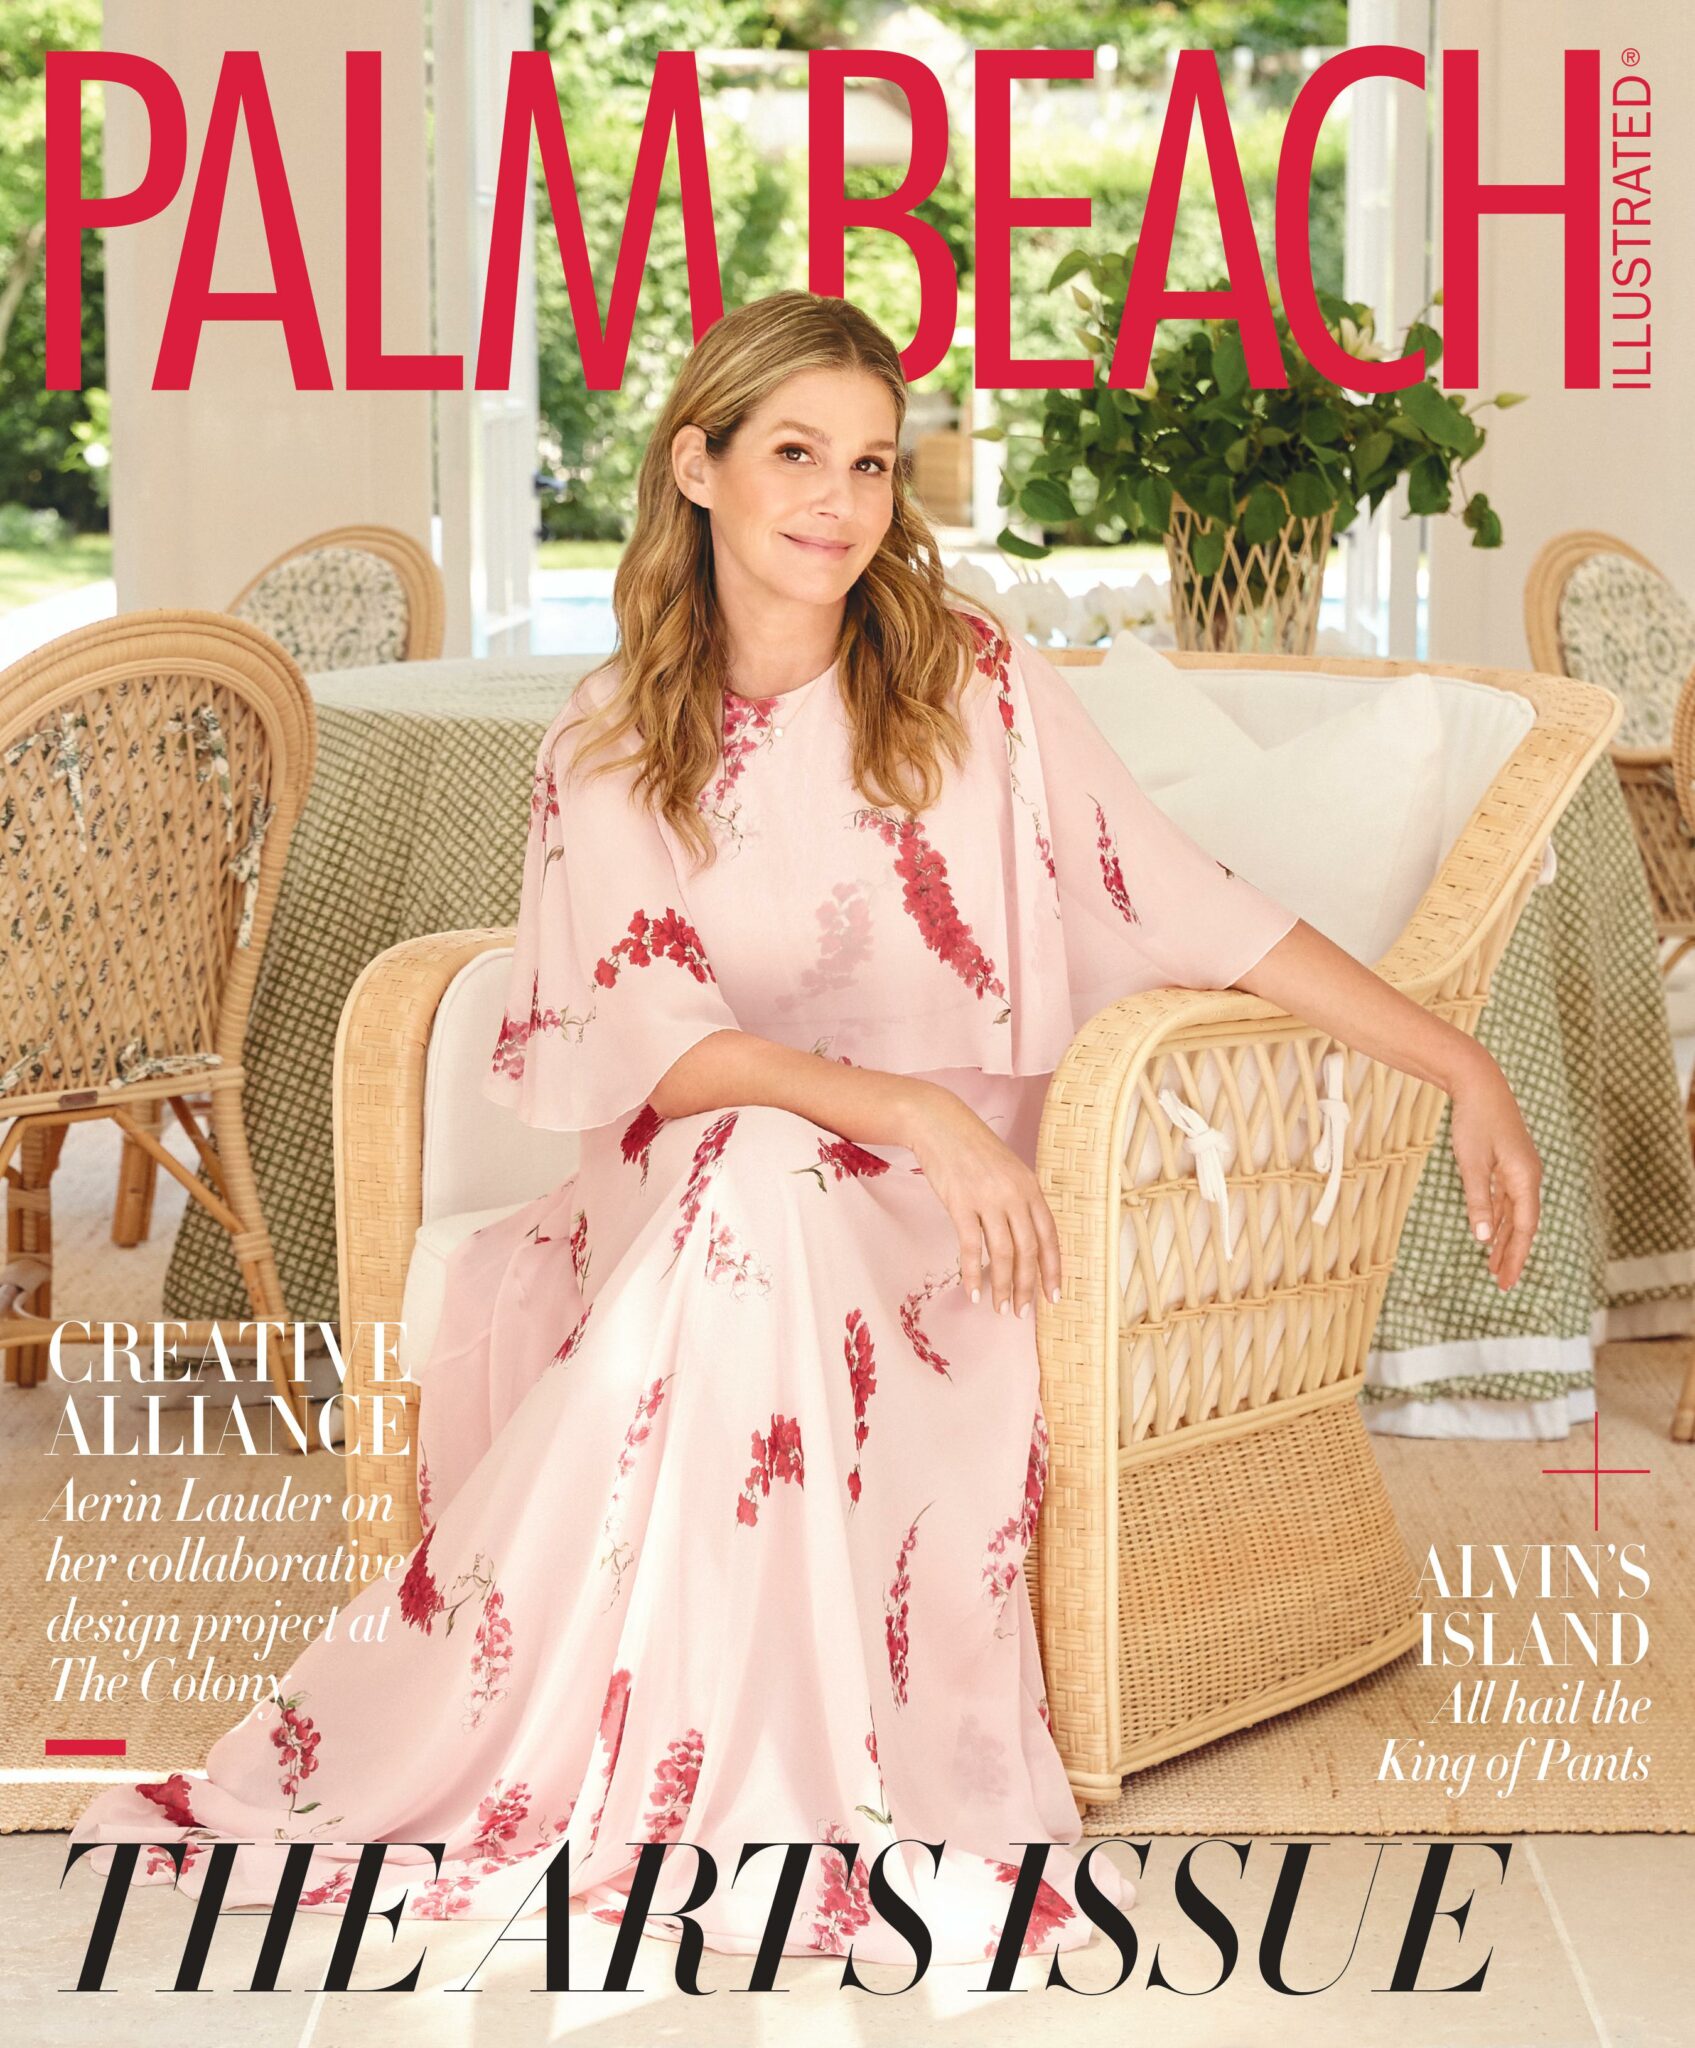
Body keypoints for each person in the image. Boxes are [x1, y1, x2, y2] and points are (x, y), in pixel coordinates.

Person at [71, 291, 1541, 1968]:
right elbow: (666, 1052)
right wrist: (909, 1107)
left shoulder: (974, 680)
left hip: (944, 1221)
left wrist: (1459, 1064)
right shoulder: (612, 736)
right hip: (705, 1191)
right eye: (795, 454)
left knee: (767, 1186)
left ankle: (738, 1784)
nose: (840, 502)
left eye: (870, 463)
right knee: (759, 1169)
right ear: (696, 466)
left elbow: (1186, 900)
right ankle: (696, 1785)